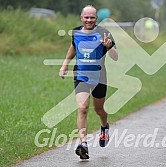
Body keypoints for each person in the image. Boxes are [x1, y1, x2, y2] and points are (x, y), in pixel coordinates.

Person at [59, 5, 118, 160]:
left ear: (96, 18)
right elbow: (73, 47)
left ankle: (104, 127)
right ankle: (83, 144)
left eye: (92, 17)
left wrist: (109, 46)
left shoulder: (104, 33)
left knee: (99, 110)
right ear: (81, 17)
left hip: (99, 77)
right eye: (86, 17)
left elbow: (115, 56)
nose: (89, 20)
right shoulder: (76, 32)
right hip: (81, 75)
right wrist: (65, 64)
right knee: (82, 108)